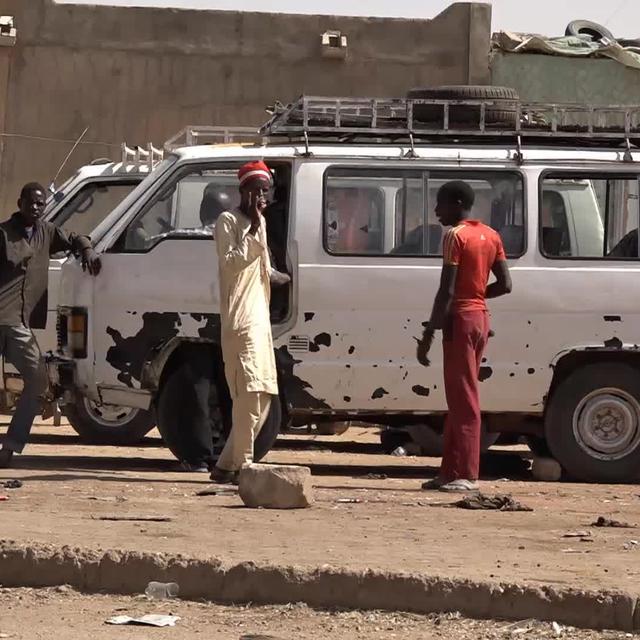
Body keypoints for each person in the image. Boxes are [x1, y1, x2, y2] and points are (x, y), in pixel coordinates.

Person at [416, 181, 512, 493]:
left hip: (459, 320)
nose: (436, 210)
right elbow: (506, 284)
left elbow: (446, 290)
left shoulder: (455, 236)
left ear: (457, 203)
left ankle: (466, 474)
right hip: (480, 319)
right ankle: (449, 472)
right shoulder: (491, 235)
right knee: (459, 398)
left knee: (464, 399)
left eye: (440, 204)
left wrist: (430, 331)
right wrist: (476, 297)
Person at [0, 182, 101, 468]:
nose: (35, 207)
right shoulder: (3, 234)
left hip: (20, 324)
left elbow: (76, 237)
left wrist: (88, 251)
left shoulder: (47, 232)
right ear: (19, 203)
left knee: (37, 380)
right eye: (30, 202)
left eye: (40, 203)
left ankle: (10, 447)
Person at [210, 161, 279, 484]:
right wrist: (252, 227)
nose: (261, 197)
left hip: (259, 319)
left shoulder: (259, 222)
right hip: (241, 320)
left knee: (263, 393)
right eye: (255, 191)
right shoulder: (229, 221)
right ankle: (244, 464)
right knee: (248, 391)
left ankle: (226, 465)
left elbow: (263, 266)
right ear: (242, 192)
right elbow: (232, 263)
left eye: (265, 191)